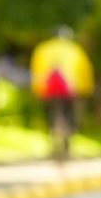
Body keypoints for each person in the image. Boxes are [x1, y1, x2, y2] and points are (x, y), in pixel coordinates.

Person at [30, 24, 93, 156]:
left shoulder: (43, 48)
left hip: (48, 89)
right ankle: (68, 137)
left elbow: (37, 69)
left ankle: (53, 134)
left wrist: (37, 88)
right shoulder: (75, 49)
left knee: (51, 112)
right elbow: (84, 70)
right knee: (69, 113)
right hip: (70, 89)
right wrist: (86, 88)